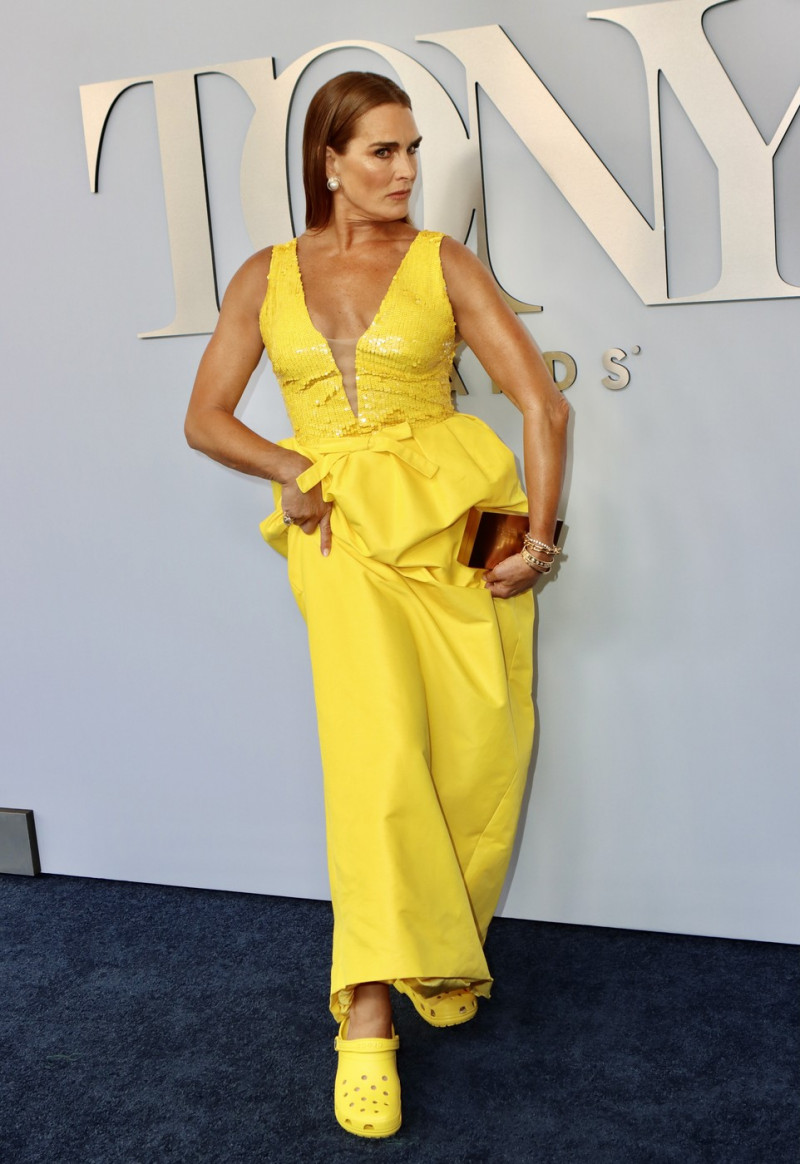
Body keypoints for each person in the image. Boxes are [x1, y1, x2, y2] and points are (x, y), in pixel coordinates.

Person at [184, 71, 569, 1139]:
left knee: (470, 749)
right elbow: (206, 418)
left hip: (446, 526)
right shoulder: (264, 275)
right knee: (375, 758)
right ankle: (364, 1017)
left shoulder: (443, 262)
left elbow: (539, 402)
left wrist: (537, 539)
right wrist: (290, 469)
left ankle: (433, 947)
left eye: (410, 151)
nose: (404, 171)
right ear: (328, 160)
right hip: (341, 535)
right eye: (382, 153)